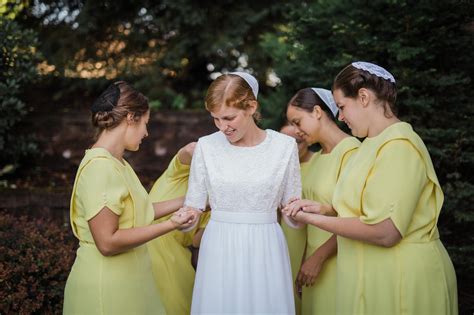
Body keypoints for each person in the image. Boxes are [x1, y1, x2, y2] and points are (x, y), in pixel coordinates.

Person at [284, 62, 458, 314]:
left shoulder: (400, 146)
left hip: (402, 277)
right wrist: (324, 208)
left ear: (363, 97)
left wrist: (310, 218)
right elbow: (362, 207)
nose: (340, 117)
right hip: (370, 274)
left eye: (342, 107)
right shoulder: (368, 146)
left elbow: (385, 231)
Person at [63, 81, 195, 315]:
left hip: (132, 285)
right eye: (145, 123)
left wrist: (190, 200)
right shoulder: (100, 168)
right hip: (107, 289)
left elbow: (141, 212)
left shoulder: (119, 164)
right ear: (131, 118)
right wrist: (171, 225)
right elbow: (108, 242)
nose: (147, 132)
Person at [182, 72, 302, 314]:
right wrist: (187, 219)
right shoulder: (206, 146)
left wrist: (298, 212)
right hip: (218, 245)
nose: (222, 127)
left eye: (229, 118)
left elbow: (291, 212)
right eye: (215, 119)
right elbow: (194, 206)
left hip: (265, 247)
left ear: (251, 107)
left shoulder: (284, 147)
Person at [285, 87, 360, 315]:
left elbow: (357, 217)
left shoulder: (352, 151)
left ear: (317, 112)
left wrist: (318, 258)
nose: (297, 131)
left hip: (338, 259)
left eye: (298, 122)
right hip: (312, 260)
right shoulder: (316, 158)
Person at [147, 142, 211, 315]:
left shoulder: (212, 201)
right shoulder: (180, 173)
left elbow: (197, 241)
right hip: (145, 246)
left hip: (178, 259)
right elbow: (190, 149)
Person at [278, 121, 312, 315]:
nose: (291, 147)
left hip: (311, 237)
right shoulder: (277, 168)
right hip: (284, 236)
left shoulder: (317, 162)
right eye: (286, 141)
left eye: (297, 141)